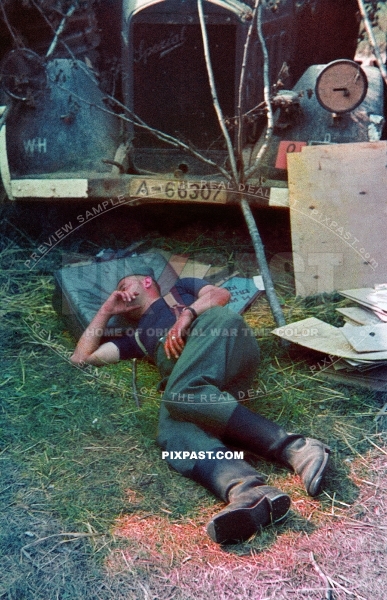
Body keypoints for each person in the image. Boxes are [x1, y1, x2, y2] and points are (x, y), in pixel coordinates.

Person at [70, 263, 330, 544]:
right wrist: (107, 309)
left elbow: (220, 296)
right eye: (117, 292)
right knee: (172, 434)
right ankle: (246, 489)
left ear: (147, 282)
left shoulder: (181, 290)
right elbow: (81, 359)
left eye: (124, 286)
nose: (122, 294)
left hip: (222, 340)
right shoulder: (136, 338)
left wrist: (187, 315)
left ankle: (293, 446)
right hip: (193, 390)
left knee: (180, 393)